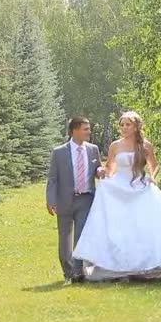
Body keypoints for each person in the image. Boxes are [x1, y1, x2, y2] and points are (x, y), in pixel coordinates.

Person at [73, 111, 161, 282]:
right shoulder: (115, 145)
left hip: (140, 187)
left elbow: (155, 165)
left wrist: (152, 177)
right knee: (120, 227)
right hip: (120, 188)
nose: (123, 128)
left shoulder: (145, 145)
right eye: (121, 125)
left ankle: (149, 264)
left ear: (136, 127)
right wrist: (102, 173)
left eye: (127, 125)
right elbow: (110, 169)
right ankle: (119, 265)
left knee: (146, 225)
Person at [46, 116, 104, 285]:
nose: (89, 131)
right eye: (85, 129)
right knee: (65, 238)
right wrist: (51, 200)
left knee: (81, 237)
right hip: (64, 200)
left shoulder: (93, 149)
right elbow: (53, 179)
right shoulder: (59, 152)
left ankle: (78, 273)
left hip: (86, 199)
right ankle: (68, 272)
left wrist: (100, 170)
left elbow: (97, 169)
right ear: (74, 131)